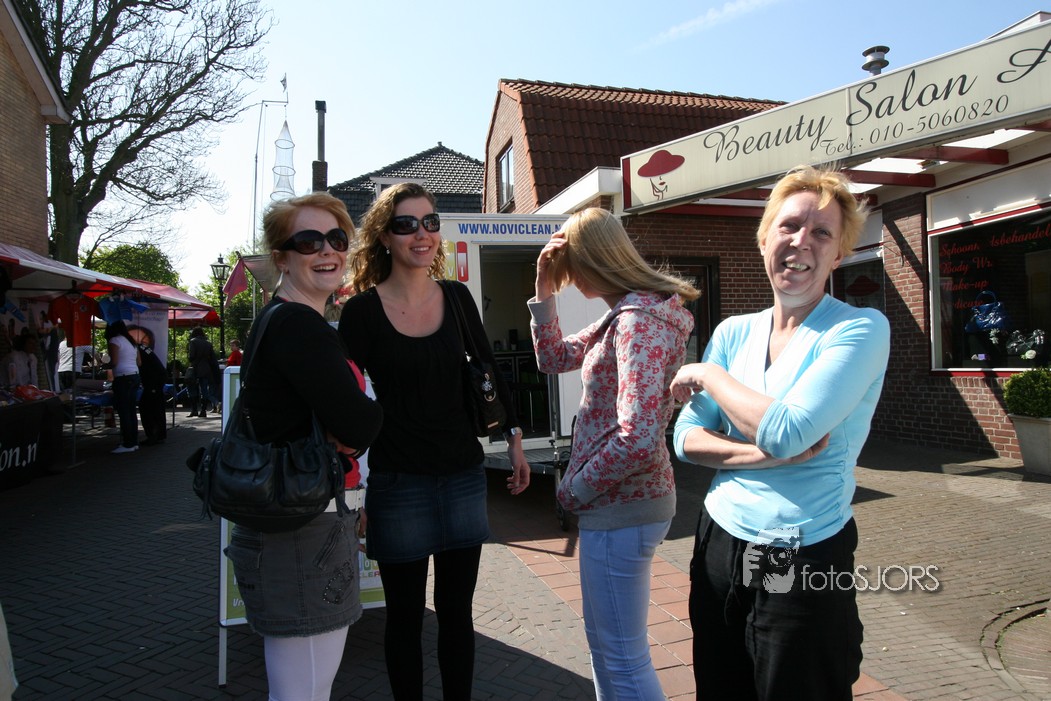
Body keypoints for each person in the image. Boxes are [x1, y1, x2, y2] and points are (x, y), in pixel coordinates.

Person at [670, 165, 891, 701]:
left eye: (822, 233)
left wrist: (709, 374)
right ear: (764, 238)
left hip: (798, 551)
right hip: (719, 538)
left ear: (839, 254)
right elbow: (686, 438)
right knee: (719, 689)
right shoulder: (733, 331)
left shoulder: (858, 329)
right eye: (789, 226)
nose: (801, 242)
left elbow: (789, 432)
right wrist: (767, 455)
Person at [338, 182, 530, 701]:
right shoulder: (362, 312)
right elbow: (342, 400)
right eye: (406, 224)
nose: (421, 234)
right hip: (398, 483)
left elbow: (488, 369)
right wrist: (353, 487)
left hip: (462, 475)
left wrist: (513, 437)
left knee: (457, 613)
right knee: (404, 617)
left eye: (430, 222)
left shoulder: (457, 297)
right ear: (384, 236)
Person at [529, 207, 699, 700]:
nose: (571, 277)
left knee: (619, 657)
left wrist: (573, 490)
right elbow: (553, 358)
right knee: (612, 652)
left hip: (621, 504)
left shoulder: (636, 322)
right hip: (629, 503)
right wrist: (542, 288)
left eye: (572, 266)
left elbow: (637, 436)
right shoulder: (629, 314)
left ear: (596, 259)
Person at [223, 191, 383, 701]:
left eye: (336, 238)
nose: (327, 250)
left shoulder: (281, 318)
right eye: (308, 241)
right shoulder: (298, 324)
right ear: (281, 257)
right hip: (302, 529)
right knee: (303, 691)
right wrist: (367, 414)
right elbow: (359, 424)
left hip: (293, 524)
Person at [105, 320, 141, 454]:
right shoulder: (131, 341)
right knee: (131, 410)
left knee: (124, 411)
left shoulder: (114, 340)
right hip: (134, 375)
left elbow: (114, 362)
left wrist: (104, 365)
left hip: (123, 377)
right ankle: (133, 441)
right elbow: (139, 362)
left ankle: (128, 443)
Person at [137, 340, 167, 445]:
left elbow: (138, 363)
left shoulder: (135, 348)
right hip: (157, 377)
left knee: (147, 407)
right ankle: (159, 435)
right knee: (157, 406)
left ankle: (153, 435)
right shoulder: (142, 347)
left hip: (152, 379)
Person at [186, 327, 216, 417]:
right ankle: (203, 410)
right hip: (206, 369)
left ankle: (194, 410)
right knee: (204, 390)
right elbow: (212, 358)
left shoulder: (193, 341)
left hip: (195, 368)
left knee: (192, 388)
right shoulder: (208, 343)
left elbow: (191, 356)